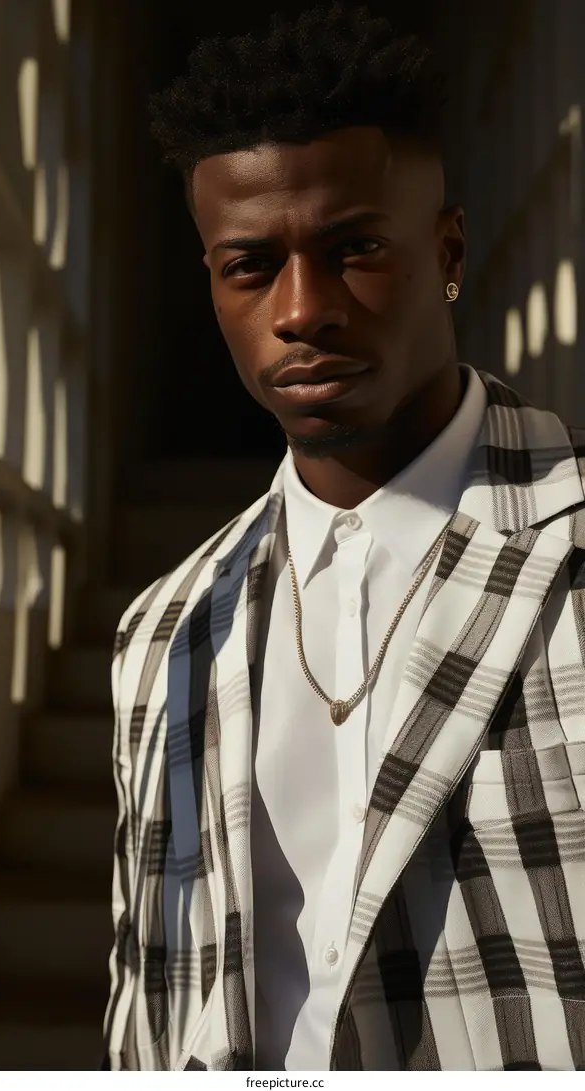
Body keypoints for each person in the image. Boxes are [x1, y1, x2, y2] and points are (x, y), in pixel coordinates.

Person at [102, 2, 585, 1072]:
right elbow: (149, 1007)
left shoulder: (572, 557)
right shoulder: (163, 634)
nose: (302, 307)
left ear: (448, 249)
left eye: (354, 247)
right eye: (251, 265)